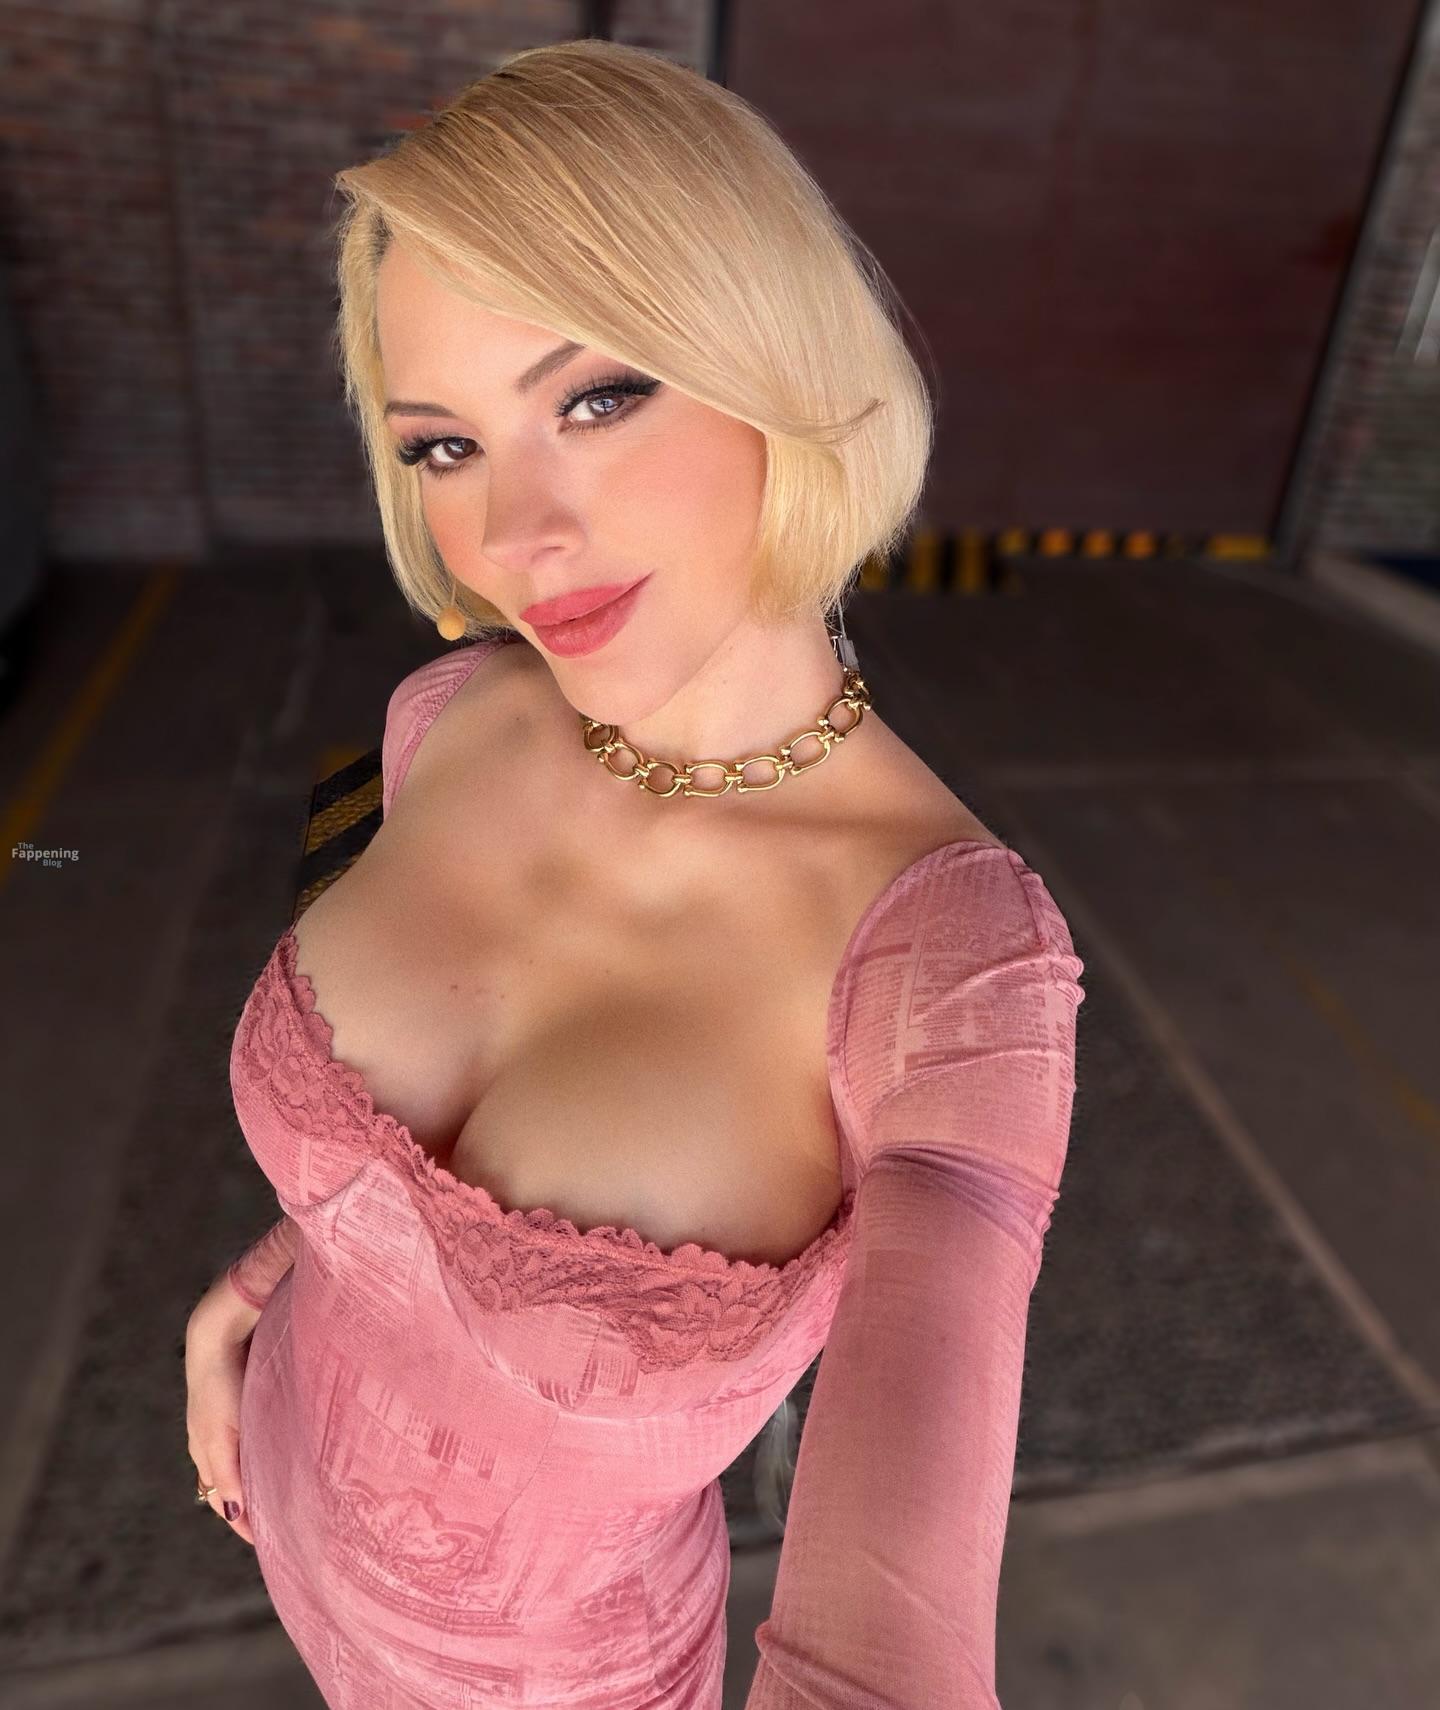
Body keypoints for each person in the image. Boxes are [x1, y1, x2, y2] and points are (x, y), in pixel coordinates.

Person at [182, 37, 1085, 1710]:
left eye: (596, 399)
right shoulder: (444, 715)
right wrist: (262, 1273)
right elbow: (392, 1162)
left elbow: (886, 1663)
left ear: (774, 361)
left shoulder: (953, 963)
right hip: (277, 1513)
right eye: (443, 447)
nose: (513, 536)